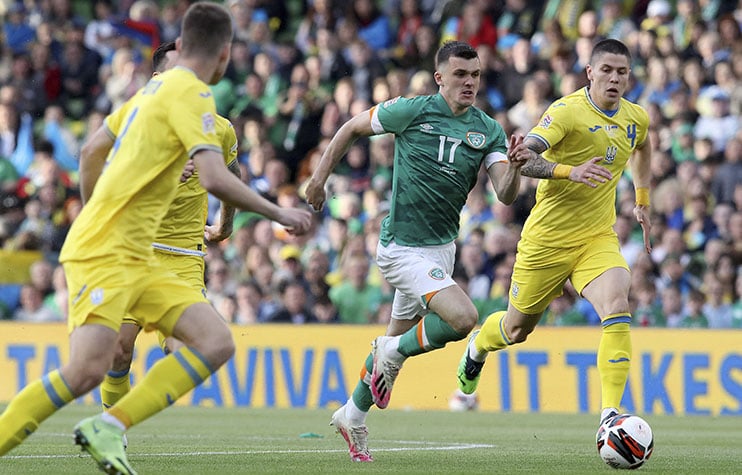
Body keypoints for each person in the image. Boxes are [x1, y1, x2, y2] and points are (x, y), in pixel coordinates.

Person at [0, 4, 312, 474]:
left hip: (143, 252)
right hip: (111, 249)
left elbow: (90, 150)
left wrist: (92, 210)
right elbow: (214, 178)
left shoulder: (154, 91)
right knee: (88, 369)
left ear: (182, 46)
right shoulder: (194, 96)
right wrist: (277, 211)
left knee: (214, 341)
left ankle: (110, 425)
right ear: (226, 56)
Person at [305, 41, 556, 462]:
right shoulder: (412, 110)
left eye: (475, 75)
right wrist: (317, 181)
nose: (469, 83)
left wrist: (514, 166)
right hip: (401, 248)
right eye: (460, 75)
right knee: (462, 319)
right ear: (440, 78)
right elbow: (350, 127)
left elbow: (506, 195)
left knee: (388, 357)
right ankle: (391, 351)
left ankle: (352, 414)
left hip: (442, 250)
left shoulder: (488, 130)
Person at [455, 39, 652, 431]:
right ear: (590, 73)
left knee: (616, 303)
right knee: (515, 330)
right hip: (545, 241)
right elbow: (526, 157)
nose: (615, 78)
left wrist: (642, 199)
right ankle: (478, 345)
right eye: (607, 70)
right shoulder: (567, 112)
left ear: (629, 76)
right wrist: (568, 171)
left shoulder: (636, 118)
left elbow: (643, 147)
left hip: (596, 237)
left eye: (622, 71)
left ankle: (610, 415)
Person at [93, 41, 240, 424]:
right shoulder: (136, 124)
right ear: (158, 79)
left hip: (184, 259)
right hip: (135, 252)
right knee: (119, 351)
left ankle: (116, 422)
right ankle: (112, 428)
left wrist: (225, 224)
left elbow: (230, 176)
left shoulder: (219, 130)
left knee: (187, 351)